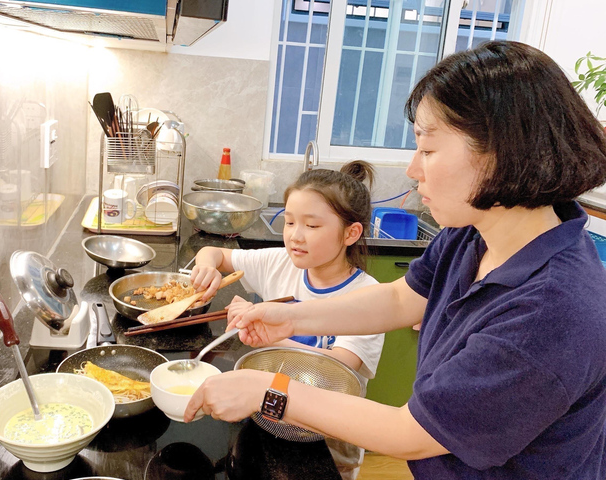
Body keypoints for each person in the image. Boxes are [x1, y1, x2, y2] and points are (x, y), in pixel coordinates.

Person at [184, 41, 606, 480]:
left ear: (501, 151)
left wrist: (268, 392)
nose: (412, 169)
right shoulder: (473, 232)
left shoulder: (554, 311)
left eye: (427, 149)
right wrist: (294, 319)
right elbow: (401, 300)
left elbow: (412, 431)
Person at [190, 161, 385, 478]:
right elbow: (214, 252)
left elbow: (340, 367)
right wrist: (208, 266)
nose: (295, 236)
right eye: (290, 222)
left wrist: (268, 334)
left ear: (351, 233)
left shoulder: (368, 296)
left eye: (311, 226)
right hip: (270, 412)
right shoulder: (280, 262)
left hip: (328, 436)